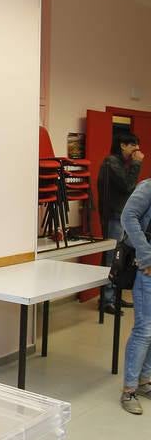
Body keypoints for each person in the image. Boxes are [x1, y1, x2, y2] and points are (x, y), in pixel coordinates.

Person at [98, 132, 143, 313]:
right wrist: (137, 164)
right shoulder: (111, 162)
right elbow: (127, 186)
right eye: (133, 145)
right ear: (122, 145)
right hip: (114, 217)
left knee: (121, 258)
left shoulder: (122, 163)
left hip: (121, 216)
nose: (137, 149)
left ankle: (115, 297)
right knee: (112, 258)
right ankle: (107, 301)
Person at [118, 178, 151, 414]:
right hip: (147, 268)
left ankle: (144, 381)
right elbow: (128, 216)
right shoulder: (148, 187)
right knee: (145, 329)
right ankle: (129, 390)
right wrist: (146, 256)